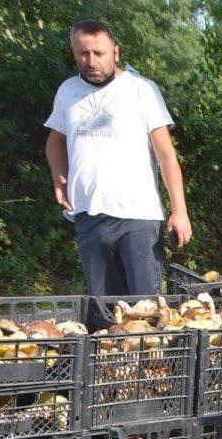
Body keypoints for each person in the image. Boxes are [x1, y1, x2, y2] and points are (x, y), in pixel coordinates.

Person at [44, 19, 192, 296]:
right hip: (87, 215)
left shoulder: (141, 90)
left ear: (115, 52)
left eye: (98, 53)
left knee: (144, 312)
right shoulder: (67, 91)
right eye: (82, 53)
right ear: (74, 52)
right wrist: (57, 174)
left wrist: (179, 211)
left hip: (138, 217)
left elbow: (166, 154)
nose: (91, 61)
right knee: (103, 313)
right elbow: (55, 140)